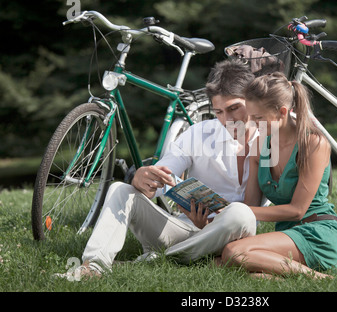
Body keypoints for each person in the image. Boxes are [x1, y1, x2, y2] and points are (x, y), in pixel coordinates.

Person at [57, 59, 263, 279]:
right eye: (219, 112)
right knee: (119, 189)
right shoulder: (199, 134)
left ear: (251, 100)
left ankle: (162, 259)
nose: (226, 119)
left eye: (234, 108)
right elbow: (162, 175)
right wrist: (143, 179)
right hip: (185, 228)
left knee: (242, 214)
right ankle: (94, 266)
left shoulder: (271, 139)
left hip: (235, 234)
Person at [219, 72, 337, 279]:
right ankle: (270, 274)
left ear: (282, 112)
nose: (251, 124)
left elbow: (297, 211)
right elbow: (251, 207)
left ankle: (319, 279)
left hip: (316, 233)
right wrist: (219, 210)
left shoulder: (313, 143)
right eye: (251, 117)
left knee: (233, 253)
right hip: (283, 235)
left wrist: (237, 210)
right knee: (220, 260)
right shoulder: (259, 147)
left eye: (258, 118)